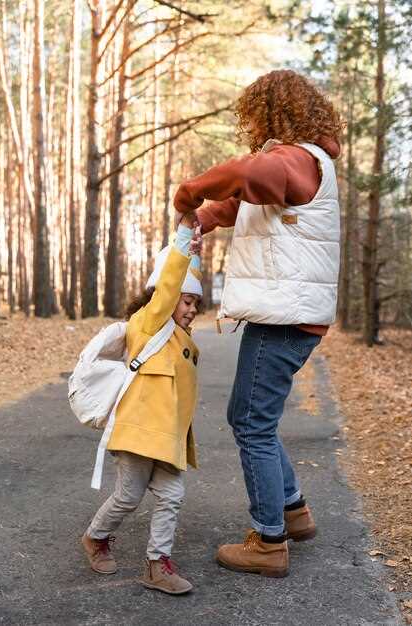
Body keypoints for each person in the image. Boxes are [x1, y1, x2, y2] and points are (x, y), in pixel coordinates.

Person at [173, 69, 343, 578]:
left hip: (283, 319)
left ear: (270, 112)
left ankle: (269, 543)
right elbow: (240, 201)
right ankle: (294, 512)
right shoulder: (301, 162)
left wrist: (189, 192)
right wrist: (201, 219)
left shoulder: (293, 158)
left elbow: (248, 176)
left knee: (251, 423)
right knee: (252, 417)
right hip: (289, 315)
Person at [81, 217, 203, 595]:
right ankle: (94, 538)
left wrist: (193, 250)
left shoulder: (183, 343)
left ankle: (157, 565)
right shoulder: (147, 324)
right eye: (187, 300)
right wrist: (183, 237)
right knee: (128, 497)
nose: (193, 308)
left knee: (172, 495)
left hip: (166, 439)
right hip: (137, 433)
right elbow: (166, 288)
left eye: (197, 302)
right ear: (164, 298)